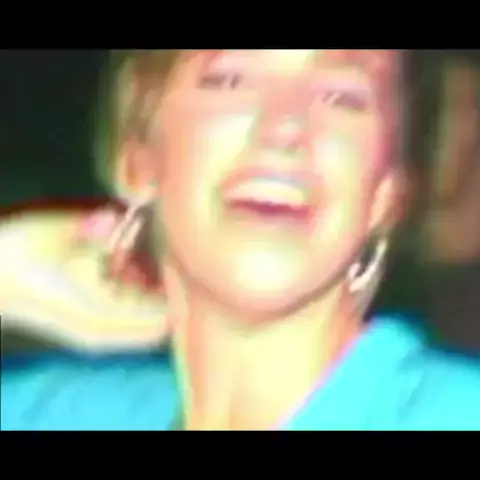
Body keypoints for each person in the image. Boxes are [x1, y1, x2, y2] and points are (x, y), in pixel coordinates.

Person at [1, 49, 479, 431]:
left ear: (385, 193)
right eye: (230, 80)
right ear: (137, 157)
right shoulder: (53, 413)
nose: (285, 128)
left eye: (342, 98)